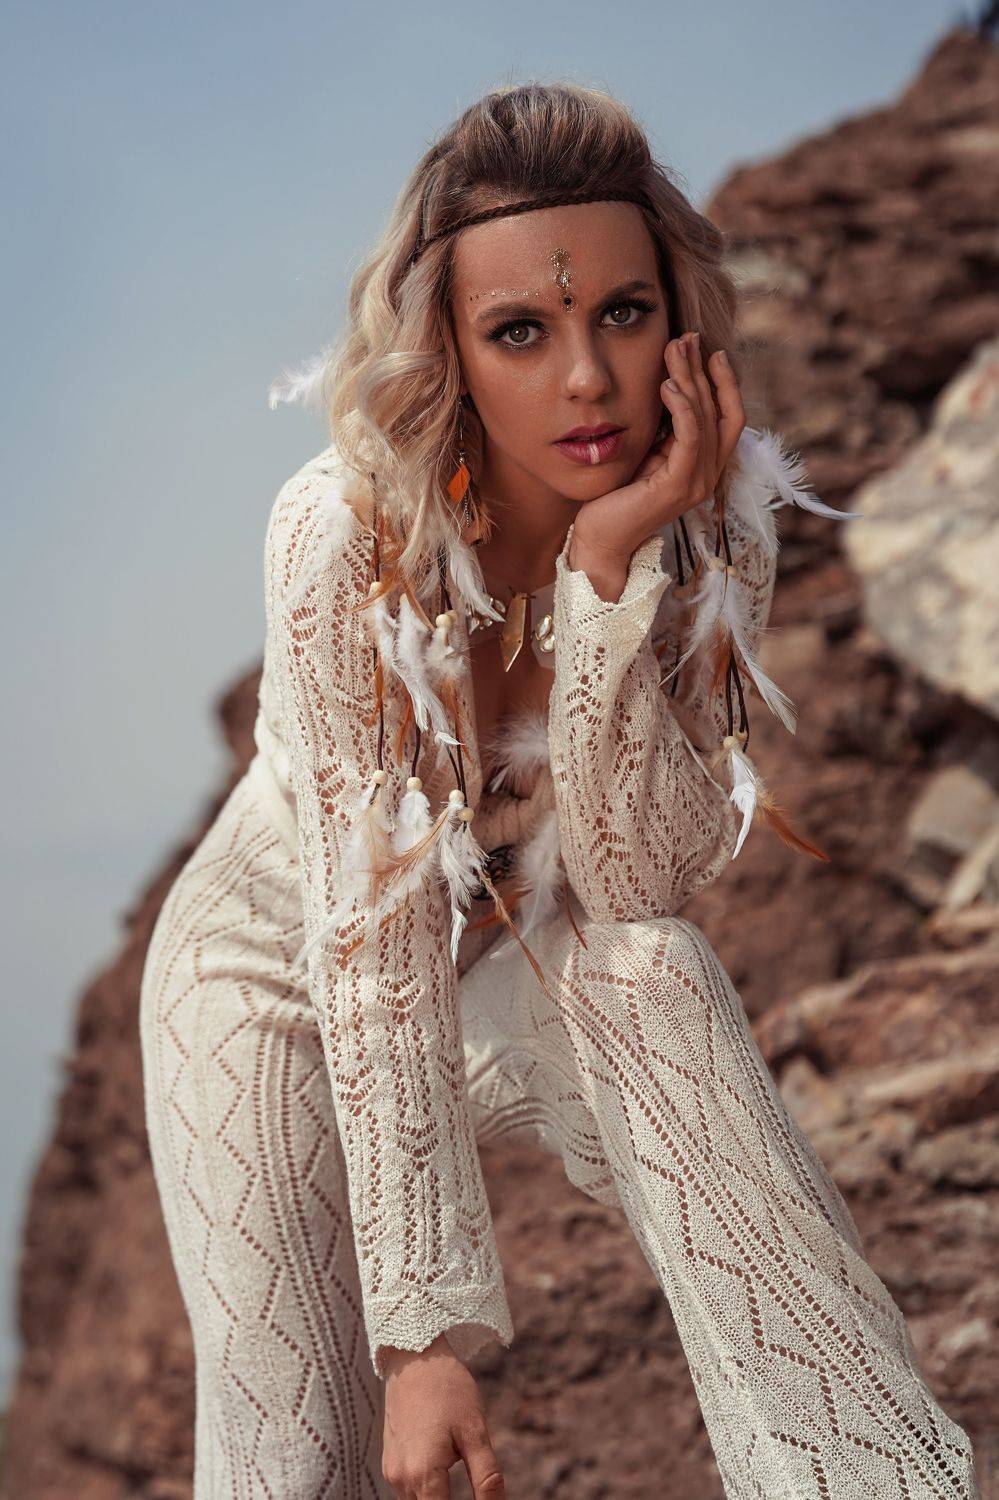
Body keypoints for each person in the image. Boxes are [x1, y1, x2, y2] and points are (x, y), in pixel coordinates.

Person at [139, 81, 981, 1500]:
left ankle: (865, 1479)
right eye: (522, 331)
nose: (587, 378)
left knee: (654, 972)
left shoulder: (714, 532)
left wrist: (606, 576)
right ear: (452, 350)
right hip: (275, 969)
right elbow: (371, 940)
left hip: (513, 957)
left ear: (680, 319)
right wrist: (424, 1340)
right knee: (297, 1461)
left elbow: (641, 878)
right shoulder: (343, 534)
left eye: (624, 314)